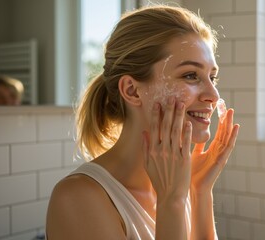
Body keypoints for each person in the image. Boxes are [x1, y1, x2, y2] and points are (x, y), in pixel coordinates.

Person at [46, 4, 240, 240]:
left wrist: (200, 191)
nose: (213, 95)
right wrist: (172, 203)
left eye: (212, 77)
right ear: (132, 90)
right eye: (191, 75)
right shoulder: (77, 198)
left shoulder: (177, 187)